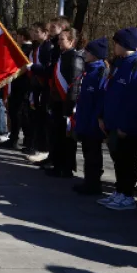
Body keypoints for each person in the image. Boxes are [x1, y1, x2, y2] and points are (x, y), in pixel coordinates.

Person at [97, 27, 137, 211]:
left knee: (127, 161)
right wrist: (104, 116)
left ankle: (127, 195)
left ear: (124, 44)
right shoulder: (120, 63)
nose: (114, 47)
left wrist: (125, 126)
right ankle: (119, 191)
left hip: (127, 126)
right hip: (113, 122)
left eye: (116, 43)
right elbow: (110, 91)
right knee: (118, 160)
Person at [45, 28, 84, 178]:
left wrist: (69, 106)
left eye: (63, 39)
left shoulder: (74, 57)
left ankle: (66, 168)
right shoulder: (62, 55)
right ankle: (57, 164)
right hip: (57, 101)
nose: (59, 42)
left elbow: (74, 84)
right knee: (56, 135)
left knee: (66, 138)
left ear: (72, 41)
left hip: (65, 103)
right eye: (59, 39)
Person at [73, 37, 109, 195]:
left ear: (95, 54)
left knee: (93, 154)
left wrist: (96, 119)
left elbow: (101, 99)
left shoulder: (100, 72)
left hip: (93, 122)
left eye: (88, 51)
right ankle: (88, 180)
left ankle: (93, 183)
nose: (85, 53)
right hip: (84, 118)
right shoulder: (90, 70)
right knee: (87, 152)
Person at [26, 22, 54, 163]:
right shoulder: (38, 46)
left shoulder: (48, 47)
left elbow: (47, 68)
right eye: (33, 31)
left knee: (42, 119)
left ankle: (44, 149)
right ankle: (38, 147)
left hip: (43, 86)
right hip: (36, 85)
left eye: (37, 31)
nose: (35, 34)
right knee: (37, 118)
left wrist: (34, 67)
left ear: (45, 32)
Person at [3, 28, 35, 149]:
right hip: (18, 85)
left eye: (18, 36)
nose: (16, 38)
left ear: (22, 37)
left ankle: (20, 139)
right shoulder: (23, 49)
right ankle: (16, 137)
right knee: (16, 113)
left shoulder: (26, 50)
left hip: (22, 85)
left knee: (19, 114)